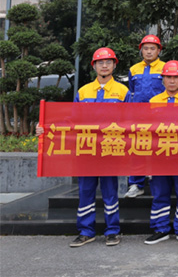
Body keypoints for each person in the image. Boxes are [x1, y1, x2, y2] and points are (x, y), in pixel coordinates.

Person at [67, 48, 130, 247]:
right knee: (86, 191)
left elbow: (130, 121)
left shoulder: (123, 92)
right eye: (100, 62)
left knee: (110, 191)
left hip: (111, 148)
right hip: (87, 149)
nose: (104, 65)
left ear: (114, 65)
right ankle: (86, 231)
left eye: (108, 62)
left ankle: (112, 231)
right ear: (93, 66)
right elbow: (73, 121)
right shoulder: (83, 92)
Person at [145, 60, 178, 245]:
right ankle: (161, 229)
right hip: (160, 154)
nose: (172, 81)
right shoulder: (154, 101)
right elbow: (149, 130)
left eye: (176, 77)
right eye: (168, 77)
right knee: (160, 193)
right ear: (163, 79)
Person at [125, 34, 166, 199]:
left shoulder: (165, 68)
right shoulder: (134, 69)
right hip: (139, 117)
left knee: (160, 148)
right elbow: (132, 90)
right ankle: (136, 184)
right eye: (146, 48)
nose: (149, 52)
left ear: (158, 51)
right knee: (138, 149)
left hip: (160, 116)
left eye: (152, 48)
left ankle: (159, 182)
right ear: (141, 51)